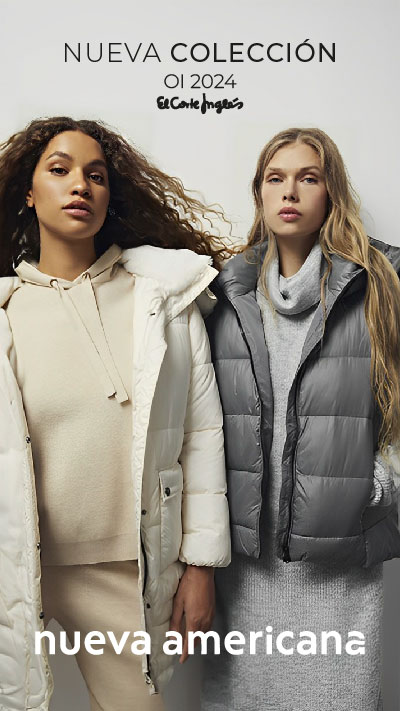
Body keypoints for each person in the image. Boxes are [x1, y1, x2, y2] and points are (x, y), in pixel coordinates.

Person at [0, 116, 231, 711]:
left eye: (96, 176)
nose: (80, 184)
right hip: (14, 566)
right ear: (29, 194)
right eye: (60, 170)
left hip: (127, 569)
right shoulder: (5, 312)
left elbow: (202, 436)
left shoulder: (162, 300)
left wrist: (201, 566)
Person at [201, 127, 400, 711]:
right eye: (276, 178)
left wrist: (379, 485)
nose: (290, 192)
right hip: (246, 563)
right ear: (260, 194)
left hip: (339, 563)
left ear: (330, 192)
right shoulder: (226, 292)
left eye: (308, 178)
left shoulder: (379, 284)